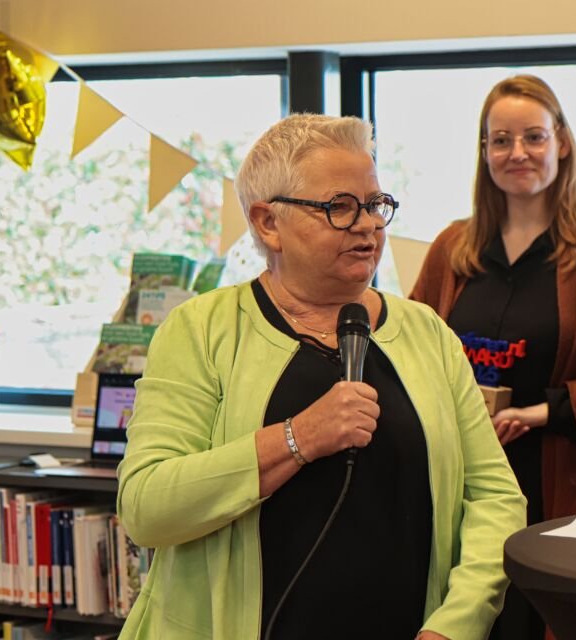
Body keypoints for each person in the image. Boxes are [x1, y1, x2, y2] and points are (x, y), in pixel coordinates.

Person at [116, 113, 526, 640]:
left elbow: (495, 498)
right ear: (268, 223)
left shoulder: (427, 332)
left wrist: (455, 624)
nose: (368, 225)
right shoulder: (201, 331)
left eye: (376, 205)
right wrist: (299, 437)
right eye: (339, 207)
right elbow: (148, 507)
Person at [411, 75, 576, 640]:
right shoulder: (452, 249)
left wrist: (538, 413)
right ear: (483, 151)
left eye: (533, 137)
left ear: (562, 142)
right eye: (500, 140)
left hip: (559, 485)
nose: (517, 153)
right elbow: (413, 358)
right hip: (464, 487)